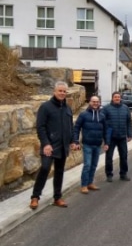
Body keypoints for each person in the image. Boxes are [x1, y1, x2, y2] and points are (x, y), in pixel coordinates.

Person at [29, 81, 77, 209]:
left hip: (62, 146)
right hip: (49, 146)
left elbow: (70, 127)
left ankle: (57, 197)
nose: (62, 93)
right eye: (60, 91)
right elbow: (40, 127)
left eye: (64, 91)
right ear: (54, 92)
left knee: (59, 172)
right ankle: (35, 197)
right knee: (45, 169)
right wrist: (45, 144)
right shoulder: (46, 107)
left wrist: (72, 141)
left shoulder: (67, 108)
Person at [73, 95, 109, 194]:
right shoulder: (83, 115)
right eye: (93, 101)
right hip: (87, 144)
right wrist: (76, 141)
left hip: (97, 145)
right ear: (90, 102)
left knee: (94, 165)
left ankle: (90, 183)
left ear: (99, 103)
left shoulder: (102, 116)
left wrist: (106, 142)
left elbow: (105, 130)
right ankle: (84, 185)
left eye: (97, 102)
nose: (95, 103)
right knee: (87, 165)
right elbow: (76, 128)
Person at [103, 91, 132, 182]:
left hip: (122, 137)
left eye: (118, 97)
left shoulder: (125, 108)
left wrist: (129, 134)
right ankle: (109, 175)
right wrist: (104, 137)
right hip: (111, 138)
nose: (117, 98)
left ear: (120, 98)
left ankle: (123, 174)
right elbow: (102, 123)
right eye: (115, 97)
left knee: (124, 156)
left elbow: (129, 122)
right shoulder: (106, 108)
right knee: (109, 157)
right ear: (112, 98)